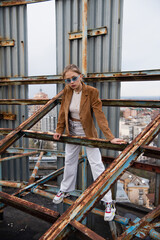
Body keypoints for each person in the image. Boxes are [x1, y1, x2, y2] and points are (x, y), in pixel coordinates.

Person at [53, 64, 126, 221]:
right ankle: (65, 189)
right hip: (71, 131)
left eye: (74, 78)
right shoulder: (67, 91)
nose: (71, 82)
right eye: (68, 80)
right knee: (70, 160)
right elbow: (62, 112)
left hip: (87, 133)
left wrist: (110, 137)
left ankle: (108, 202)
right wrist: (59, 130)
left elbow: (99, 115)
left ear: (81, 76)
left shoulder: (91, 92)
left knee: (97, 165)